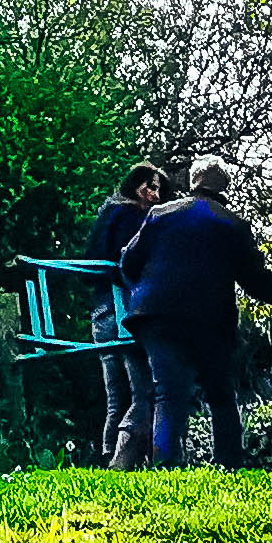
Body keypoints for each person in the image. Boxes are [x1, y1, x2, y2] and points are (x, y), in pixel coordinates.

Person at [115, 156, 272, 469]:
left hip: (157, 316)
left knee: (168, 392)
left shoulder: (160, 214)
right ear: (225, 187)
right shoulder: (233, 224)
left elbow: (129, 261)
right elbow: (254, 279)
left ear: (192, 182)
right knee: (220, 392)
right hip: (209, 320)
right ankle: (228, 463)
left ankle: (166, 464)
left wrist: (147, 289)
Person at [85, 165, 164, 468]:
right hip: (124, 311)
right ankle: (125, 459)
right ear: (135, 186)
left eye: (157, 189)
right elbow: (130, 263)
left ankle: (108, 453)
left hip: (101, 311)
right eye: (150, 187)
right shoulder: (133, 218)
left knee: (115, 392)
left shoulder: (107, 214)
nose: (154, 195)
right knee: (142, 389)